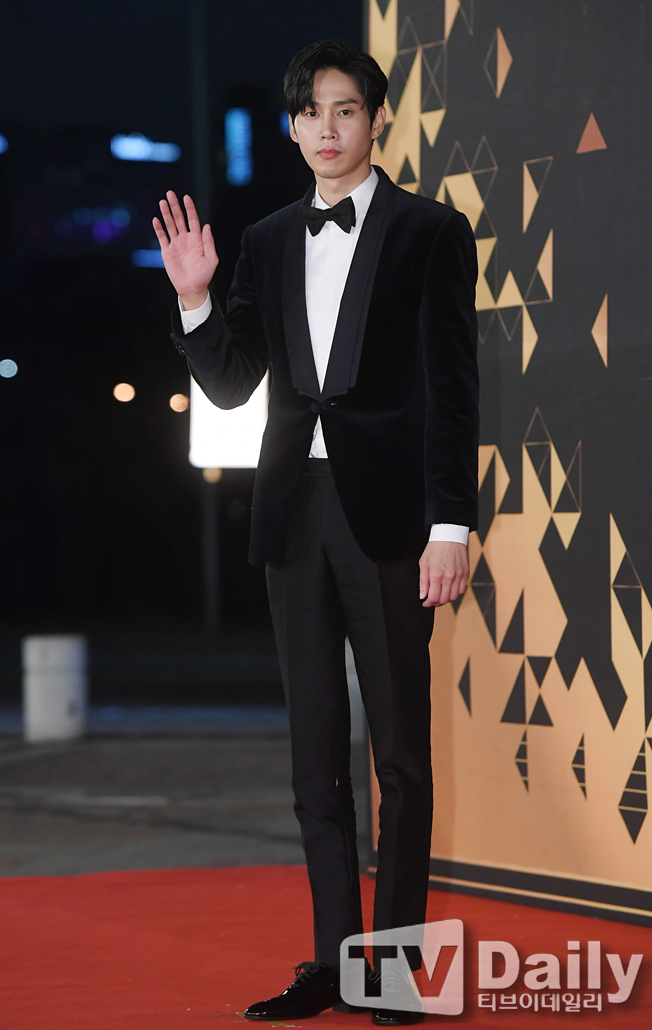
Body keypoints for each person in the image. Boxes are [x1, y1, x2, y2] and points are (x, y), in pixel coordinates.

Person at [154, 39, 478, 1025]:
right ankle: (334, 965)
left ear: (376, 119)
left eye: (346, 109)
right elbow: (230, 383)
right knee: (313, 760)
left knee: (400, 759)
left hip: (394, 517)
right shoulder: (263, 239)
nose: (328, 128)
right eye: (311, 112)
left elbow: (453, 388)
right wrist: (194, 297)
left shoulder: (431, 231)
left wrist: (450, 522)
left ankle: (394, 970)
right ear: (292, 126)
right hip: (295, 514)